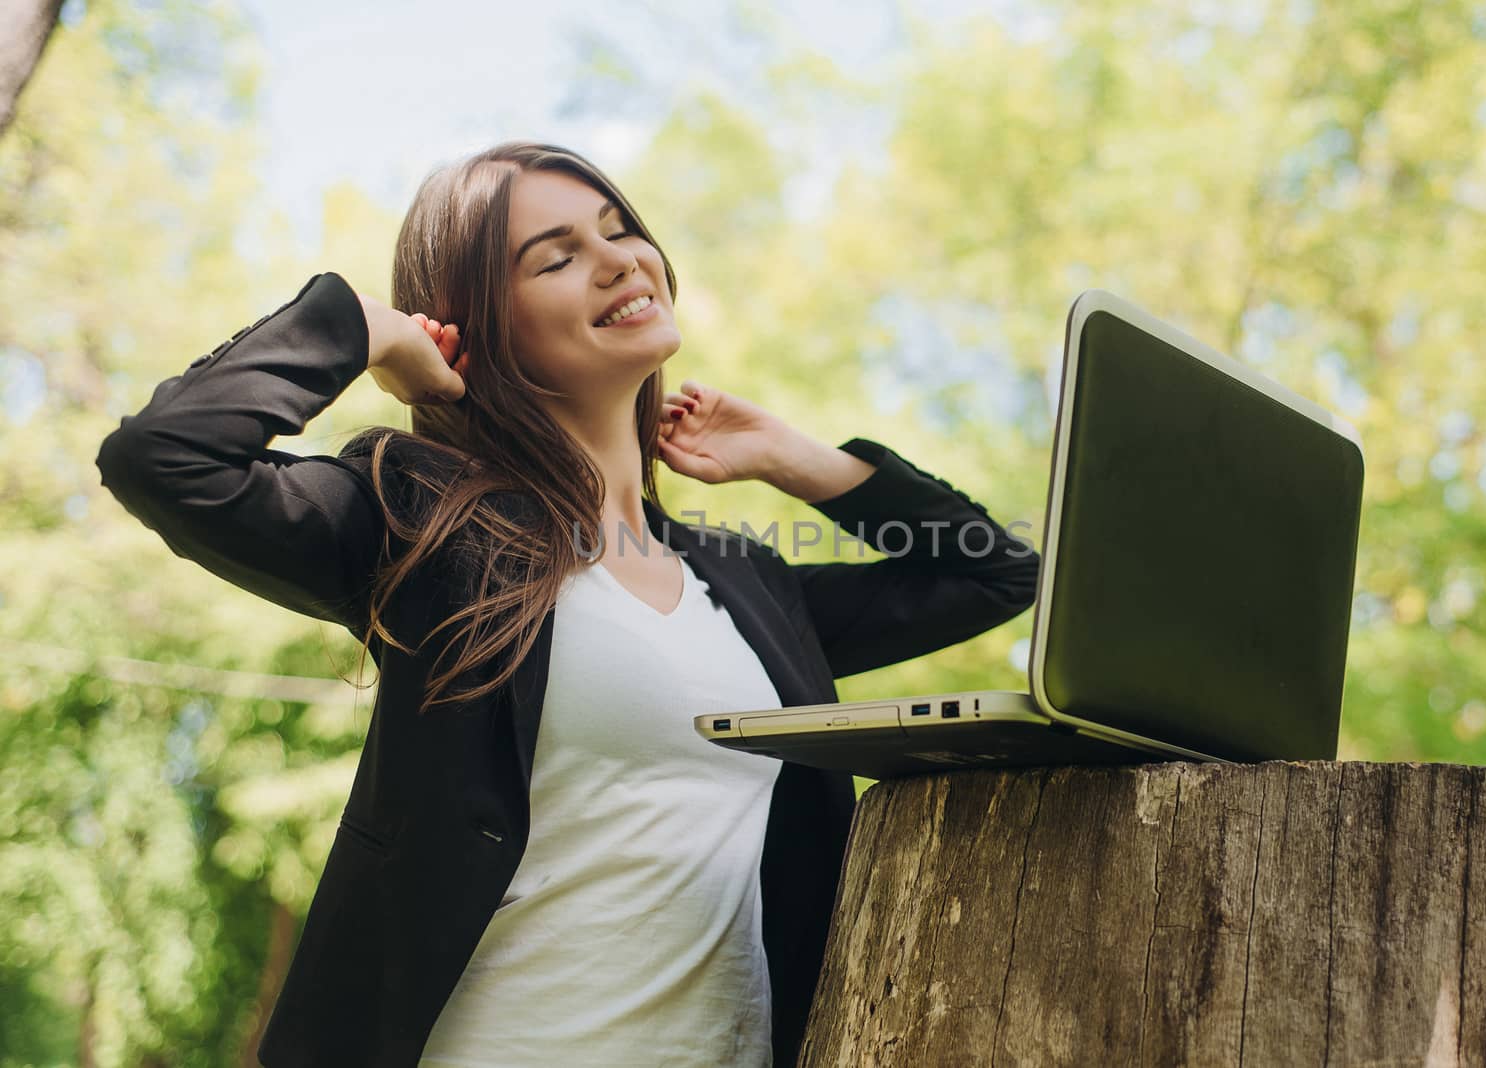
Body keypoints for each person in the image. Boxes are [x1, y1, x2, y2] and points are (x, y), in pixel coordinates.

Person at [94, 141, 1040, 1067]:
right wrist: (373, 330)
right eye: (557, 257)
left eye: (620, 229)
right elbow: (165, 458)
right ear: (480, 323)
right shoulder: (423, 521)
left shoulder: (745, 583)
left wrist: (801, 460)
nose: (617, 259)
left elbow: (994, 575)